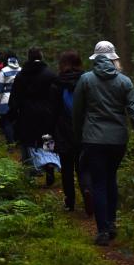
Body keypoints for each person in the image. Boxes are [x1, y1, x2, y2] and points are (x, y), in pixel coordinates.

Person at [73, 40, 134, 246]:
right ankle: (112, 223)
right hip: (117, 140)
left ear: (95, 59)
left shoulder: (86, 80)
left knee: (98, 182)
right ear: (114, 58)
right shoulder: (125, 82)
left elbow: (77, 112)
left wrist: (77, 136)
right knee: (110, 179)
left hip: (93, 139)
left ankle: (103, 230)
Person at [50, 51, 92, 215]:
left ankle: (69, 202)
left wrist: (50, 132)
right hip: (84, 130)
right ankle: (88, 190)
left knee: (66, 168)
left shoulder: (56, 84)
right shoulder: (87, 80)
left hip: (63, 131)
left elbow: (52, 111)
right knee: (83, 166)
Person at [8, 47, 59, 186]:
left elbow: (14, 97)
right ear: (41, 57)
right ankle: (50, 169)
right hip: (46, 114)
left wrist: (13, 113)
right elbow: (57, 94)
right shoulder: (50, 74)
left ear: (28, 57)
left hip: (27, 114)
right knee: (47, 138)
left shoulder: (21, 75)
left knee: (27, 142)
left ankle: (28, 173)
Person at [0, 55, 21, 145]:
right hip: (18, 100)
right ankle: (17, 142)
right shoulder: (21, 70)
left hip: (5, 100)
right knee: (17, 121)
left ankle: (10, 143)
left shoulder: (3, 71)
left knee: (6, 122)